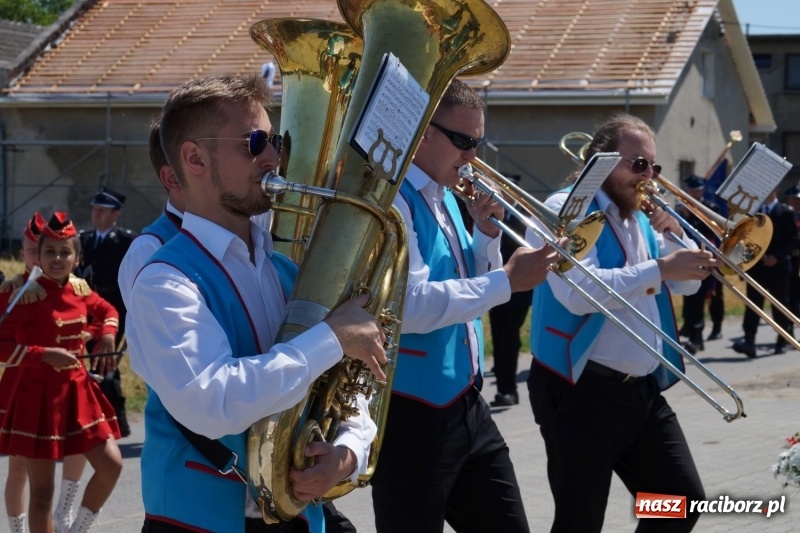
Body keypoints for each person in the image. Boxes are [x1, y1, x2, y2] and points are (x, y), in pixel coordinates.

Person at [125, 74, 387, 533]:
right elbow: (214, 400)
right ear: (194, 158)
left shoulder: (286, 272)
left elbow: (350, 390)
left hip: (297, 517)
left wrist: (347, 452)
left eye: (277, 142)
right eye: (255, 142)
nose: (274, 158)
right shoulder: (164, 280)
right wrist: (332, 338)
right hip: (197, 522)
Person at [370, 78, 558, 533]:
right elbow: (407, 307)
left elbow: (467, 288)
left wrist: (487, 239)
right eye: (462, 142)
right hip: (411, 413)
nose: (472, 156)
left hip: (466, 404)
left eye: (478, 142)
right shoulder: (394, 202)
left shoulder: (446, 197)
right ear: (423, 132)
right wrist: (507, 280)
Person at [526, 113, 715, 532]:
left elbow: (685, 289)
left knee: (678, 499)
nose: (649, 177)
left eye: (654, 166)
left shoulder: (641, 215)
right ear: (601, 161)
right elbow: (578, 295)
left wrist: (674, 240)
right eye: (638, 164)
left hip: (640, 389)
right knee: (581, 519)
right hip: (581, 389)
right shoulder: (566, 207)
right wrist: (661, 268)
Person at [0, 212, 123, 533]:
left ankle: (76, 528)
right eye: (49, 252)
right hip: (38, 399)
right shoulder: (24, 295)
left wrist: (106, 333)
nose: (57, 258)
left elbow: (107, 310)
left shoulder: (80, 290)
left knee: (111, 465)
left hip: (77, 394)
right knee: (42, 492)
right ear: (37, 256)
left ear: (77, 257)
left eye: (65, 252)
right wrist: (43, 355)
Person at [78, 186, 136, 437]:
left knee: (106, 364)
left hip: (115, 310)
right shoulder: (84, 239)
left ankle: (117, 422)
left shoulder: (126, 241)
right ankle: (101, 420)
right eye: (94, 209)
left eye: (102, 210)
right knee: (94, 366)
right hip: (87, 310)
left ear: (116, 214)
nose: (96, 214)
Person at [732, 189, 799, 357]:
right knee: (753, 304)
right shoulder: (753, 212)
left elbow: (794, 240)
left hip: (779, 267)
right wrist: (743, 264)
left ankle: (782, 339)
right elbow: (744, 239)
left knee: (780, 304)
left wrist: (776, 257)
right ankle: (749, 340)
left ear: (775, 191)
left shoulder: (786, 212)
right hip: (757, 267)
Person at [488, 175, 532, 406]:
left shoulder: (525, 218)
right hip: (496, 284)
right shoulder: (493, 215)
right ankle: (505, 387)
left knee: (508, 336)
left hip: (519, 290)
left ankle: (508, 390)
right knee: (500, 336)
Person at [676, 175, 724, 352]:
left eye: (698, 190)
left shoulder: (710, 207)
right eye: (693, 190)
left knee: (700, 298)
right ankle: (691, 332)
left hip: (705, 258)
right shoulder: (681, 208)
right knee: (689, 297)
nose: (696, 193)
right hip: (687, 256)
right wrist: (684, 216)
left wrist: (692, 217)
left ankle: (697, 336)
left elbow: (708, 231)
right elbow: (680, 232)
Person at [782, 185, 800, 318]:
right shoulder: (785, 215)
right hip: (788, 257)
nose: (796, 202)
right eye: (794, 199)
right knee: (790, 290)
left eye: (797, 199)